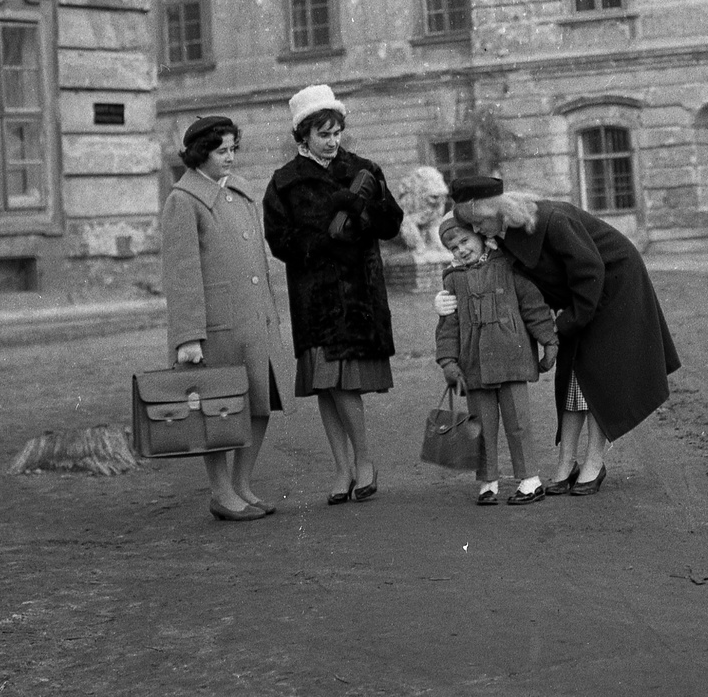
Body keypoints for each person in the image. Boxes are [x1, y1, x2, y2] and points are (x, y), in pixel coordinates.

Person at [446, 177, 680, 497]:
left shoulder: (553, 220)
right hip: (577, 299)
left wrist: (563, 325)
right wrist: (444, 297)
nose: (479, 230)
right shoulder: (502, 231)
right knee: (570, 376)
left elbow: (590, 272)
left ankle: (593, 463)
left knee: (598, 377)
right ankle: (565, 462)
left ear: (497, 210)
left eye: (480, 222)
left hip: (613, 288)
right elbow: (474, 265)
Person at [262, 85, 403, 505]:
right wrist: (321, 239)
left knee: (346, 385)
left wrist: (363, 208)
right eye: (323, 133)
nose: (333, 141)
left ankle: (363, 463)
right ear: (303, 135)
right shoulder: (284, 182)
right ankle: (343, 469)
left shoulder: (363, 170)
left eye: (337, 131)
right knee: (327, 385)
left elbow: (392, 223)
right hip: (315, 297)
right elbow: (279, 241)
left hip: (359, 295)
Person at [160, 116, 292, 522]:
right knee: (216, 414)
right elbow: (181, 275)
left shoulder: (239, 192)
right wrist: (188, 337)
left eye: (234, 149)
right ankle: (221, 492)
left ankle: (242, 485)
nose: (230, 157)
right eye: (222, 151)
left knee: (259, 405)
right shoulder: (183, 200)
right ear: (201, 154)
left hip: (255, 323)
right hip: (215, 329)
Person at [434, 212, 557, 507]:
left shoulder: (507, 266)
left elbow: (533, 306)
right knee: (481, 426)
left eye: (465, 241)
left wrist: (548, 340)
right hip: (473, 366)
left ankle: (530, 479)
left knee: (518, 423)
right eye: (454, 247)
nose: (462, 249)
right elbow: (448, 327)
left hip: (511, 359)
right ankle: (488, 481)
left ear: (480, 236)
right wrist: (448, 362)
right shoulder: (452, 281)